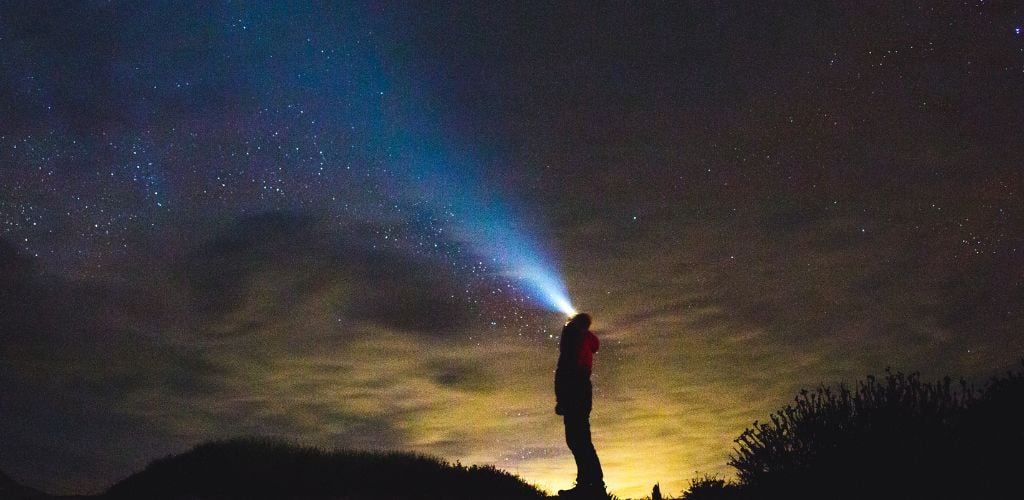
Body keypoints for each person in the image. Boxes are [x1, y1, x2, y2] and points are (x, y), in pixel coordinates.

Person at [554, 313, 606, 498]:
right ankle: (590, 484)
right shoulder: (585, 339)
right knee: (580, 439)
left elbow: (566, 368)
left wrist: (562, 399)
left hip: (574, 390)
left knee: (578, 439)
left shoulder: (573, 335)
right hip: (582, 390)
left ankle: (591, 486)